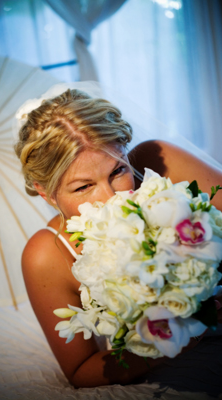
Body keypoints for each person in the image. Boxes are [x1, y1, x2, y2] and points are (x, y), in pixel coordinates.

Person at [14, 85, 222, 388]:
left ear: (125, 151)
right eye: (83, 187)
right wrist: (179, 335)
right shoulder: (46, 256)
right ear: (46, 193)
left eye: (117, 171)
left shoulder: (161, 160)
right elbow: (81, 370)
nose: (113, 198)